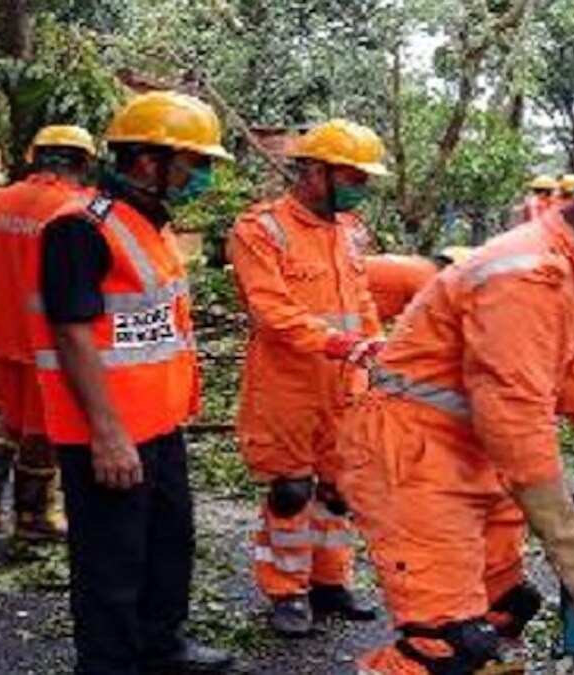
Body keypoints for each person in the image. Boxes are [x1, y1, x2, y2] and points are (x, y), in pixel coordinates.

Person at [335, 135, 574, 674]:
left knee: (507, 609)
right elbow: (513, 415)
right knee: (447, 646)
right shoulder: (525, 274)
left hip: (473, 457)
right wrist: (569, 544)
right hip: (414, 458)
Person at [28, 91, 235, 674]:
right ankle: (110, 664)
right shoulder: (78, 228)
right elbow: (71, 335)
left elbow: (148, 329)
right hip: (109, 432)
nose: (203, 176)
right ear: (148, 161)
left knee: (169, 547)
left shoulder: (150, 224)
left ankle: (160, 647)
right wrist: (108, 434)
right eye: (196, 164)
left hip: (158, 426)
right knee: (111, 565)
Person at [226, 119, 387, 637]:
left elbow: (361, 300)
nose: (360, 188)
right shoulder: (260, 229)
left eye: (364, 179)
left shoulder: (350, 231)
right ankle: (285, 591)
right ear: (315, 172)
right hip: (288, 387)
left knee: (339, 490)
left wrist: (376, 347)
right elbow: (270, 309)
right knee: (292, 490)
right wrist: (341, 343)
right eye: (352, 176)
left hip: (347, 386)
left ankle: (329, 582)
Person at [0, 124, 96, 543]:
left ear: (33, 156)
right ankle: (32, 517)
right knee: (42, 429)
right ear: (87, 162)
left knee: (9, 416)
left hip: (0, 336)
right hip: (50, 345)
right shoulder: (80, 209)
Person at [364, 247, 473, 322]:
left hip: (352, 294)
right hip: (352, 310)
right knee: (352, 336)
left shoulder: (421, 266)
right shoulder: (429, 281)